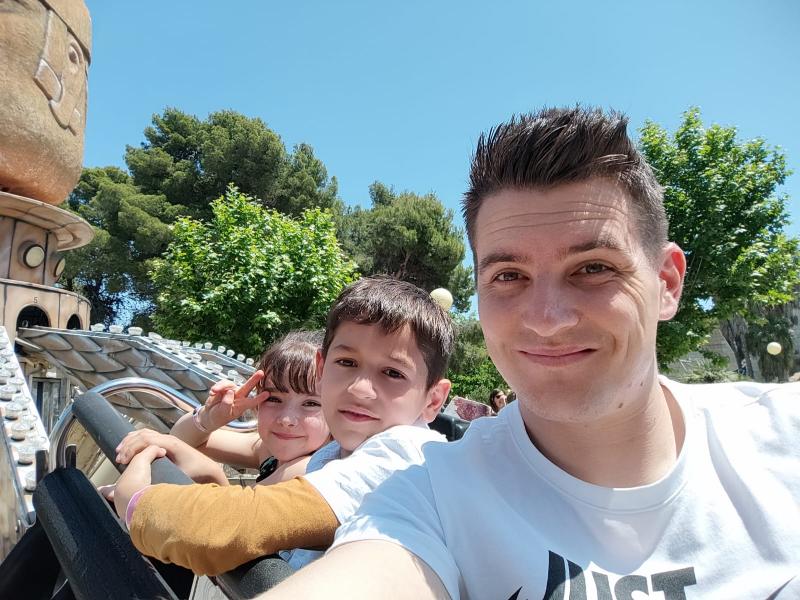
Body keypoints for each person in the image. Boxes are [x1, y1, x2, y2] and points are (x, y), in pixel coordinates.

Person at [261, 107, 800, 599]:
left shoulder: (784, 436)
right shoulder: (431, 498)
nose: (546, 318)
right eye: (508, 275)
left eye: (593, 268)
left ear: (666, 282)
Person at [111, 276, 454, 576]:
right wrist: (207, 421)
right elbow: (197, 451)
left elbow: (219, 530)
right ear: (323, 369)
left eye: (393, 373)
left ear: (433, 400)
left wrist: (134, 500)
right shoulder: (337, 453)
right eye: (347, 362)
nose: (360, 389)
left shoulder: (403, 459)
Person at [114, 330, 330, 487]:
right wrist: (208, 419)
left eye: (311, 403)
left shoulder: (314, 467)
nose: (287, 419)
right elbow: (183, 440)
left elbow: (240, 514)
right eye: (273, 399)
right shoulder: (266, 450)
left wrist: (211, 474)